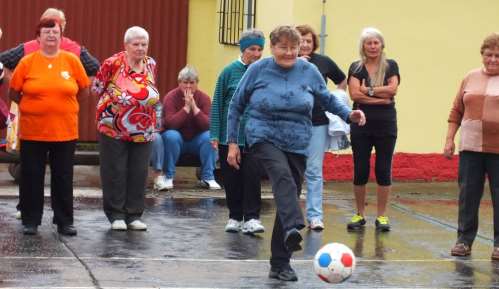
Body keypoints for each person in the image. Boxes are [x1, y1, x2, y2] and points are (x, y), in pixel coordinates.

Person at [226, 25, 366, 282]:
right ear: (273, 48)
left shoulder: (309, 71)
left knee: (288, 193)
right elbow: (236, 105)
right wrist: (233, 142)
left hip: (299, 141)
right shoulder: (259, 70)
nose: (289, 53)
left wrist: (349, 114)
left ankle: (280, 264)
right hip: (263, 135)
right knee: (282, 179)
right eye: (283, 47)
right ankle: (294, 225)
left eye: (293, 47)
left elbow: (327, 99)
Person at [0, 8, 100, 220]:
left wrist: (67, 101)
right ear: (40, 31)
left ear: (63, 28)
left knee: (63, 177)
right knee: (31, 175)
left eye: (57, 26)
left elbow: (92, 74)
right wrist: (27, 102)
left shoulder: (75, 53)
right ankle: (29, 217)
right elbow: (10, 82)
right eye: (48, 25)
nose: (53, 31)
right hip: (32, 127)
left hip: (64, 129)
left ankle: (64, 220)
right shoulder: (26, 52)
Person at [92, 26, 159, 231]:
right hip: (113, 125)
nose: (140, 48)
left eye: (144, 44)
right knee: (115, 170)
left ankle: (134, 214)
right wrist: (115, 101)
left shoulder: (150, 63)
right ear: (126, 45)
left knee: (138, 171)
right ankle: (116, 214)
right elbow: (96, 88)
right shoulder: (112, 63)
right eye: (136, 44)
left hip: (143, 127)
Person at [445, 32, 499, 260]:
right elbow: (456, 110)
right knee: (468, 195)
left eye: (498, 56)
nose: (493, 60)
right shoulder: (470, 77)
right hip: (470, 148)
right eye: (489, 55)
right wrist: (449, 139)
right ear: (482, 55)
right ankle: (464, 241)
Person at [210, 29, 265, 234]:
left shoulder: (263, 71)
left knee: (252, 176)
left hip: (255, 136)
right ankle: (234, 216)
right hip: (229, 136)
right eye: (252, 49)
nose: (257, 53)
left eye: (260, 49)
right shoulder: (228, 71)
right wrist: (215, 133)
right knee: (232, 178)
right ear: (243, 49)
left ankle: (252, 217)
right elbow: (217, 104)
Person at [346, 27, 400, 232]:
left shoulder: (391, 66)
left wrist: (367, 90)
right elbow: (354, 95)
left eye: (376, 42)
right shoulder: (356, 67)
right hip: (361, 124)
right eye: (368, 43)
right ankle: (359, 214)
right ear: (363, 46)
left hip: (386, 124)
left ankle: (382, 216)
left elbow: (393, 89)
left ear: (382, 45)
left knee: (383, 170)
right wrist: (380, 98)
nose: (372, 46)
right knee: (360, 169)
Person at [296, 24, 347, 231]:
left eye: (308, 41)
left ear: (314, 43)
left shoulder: (323, 62)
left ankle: (315, 217)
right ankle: (291, 216)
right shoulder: (288, 62)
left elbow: (342, 80)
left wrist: (337, 99)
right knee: (293, 171)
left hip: (318, 123)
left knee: (314, 171)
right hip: (292, 124)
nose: (305, 44)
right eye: (301, 40)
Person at [156, 65, 221, 190]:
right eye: (185, 83)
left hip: (197, 140)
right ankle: (168, 177)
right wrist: (186, 108)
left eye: (192, 83)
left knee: (209, 137)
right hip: (177, 141)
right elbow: (170, 124)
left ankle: (208, 177)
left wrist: (195, 108)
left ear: (197, 83)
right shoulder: (171, 97)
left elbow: (208, 125)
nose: (188, 86)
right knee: (171, 135)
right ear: (179, 83)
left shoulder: (204, 98)